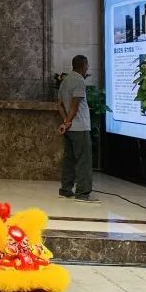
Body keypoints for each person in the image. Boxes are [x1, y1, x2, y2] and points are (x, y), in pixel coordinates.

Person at [58, 54, 98, 203]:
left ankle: (65, 189)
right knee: (83, 161)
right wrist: (68, 121)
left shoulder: (65, 80)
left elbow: (60, 104)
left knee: (69, 160)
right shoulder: (79, 81)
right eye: (87, 65)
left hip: (70, 129)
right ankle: (83, 193)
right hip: (80, 127)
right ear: (83, 66)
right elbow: (75, 105)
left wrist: (65, 122)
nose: (87, 68)